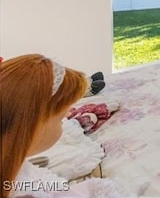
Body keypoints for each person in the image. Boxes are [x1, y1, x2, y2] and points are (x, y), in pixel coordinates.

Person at [0, 54, 134, 198]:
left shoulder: (14, 168)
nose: (66, 119)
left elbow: (40, 183)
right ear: (32, 128)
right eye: (60, 120)